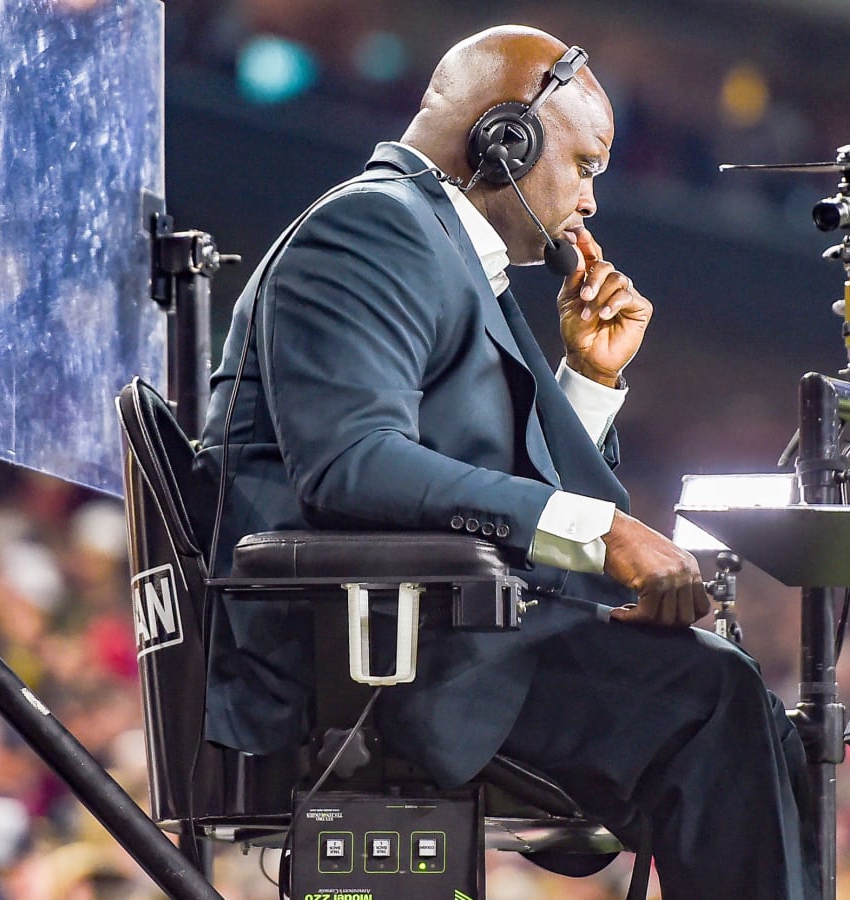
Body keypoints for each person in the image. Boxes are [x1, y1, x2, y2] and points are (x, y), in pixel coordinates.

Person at [196, 24, 817, 898]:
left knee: (765, 723)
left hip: (428, 639)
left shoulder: (440, 251)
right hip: (367, 669)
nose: (593, 200)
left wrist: (590, 382)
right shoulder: (374, 226)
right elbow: (350, 463)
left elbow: (505, 485)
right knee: (719, 697)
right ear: (505, 138)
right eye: (589, 164)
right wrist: (601, 531)